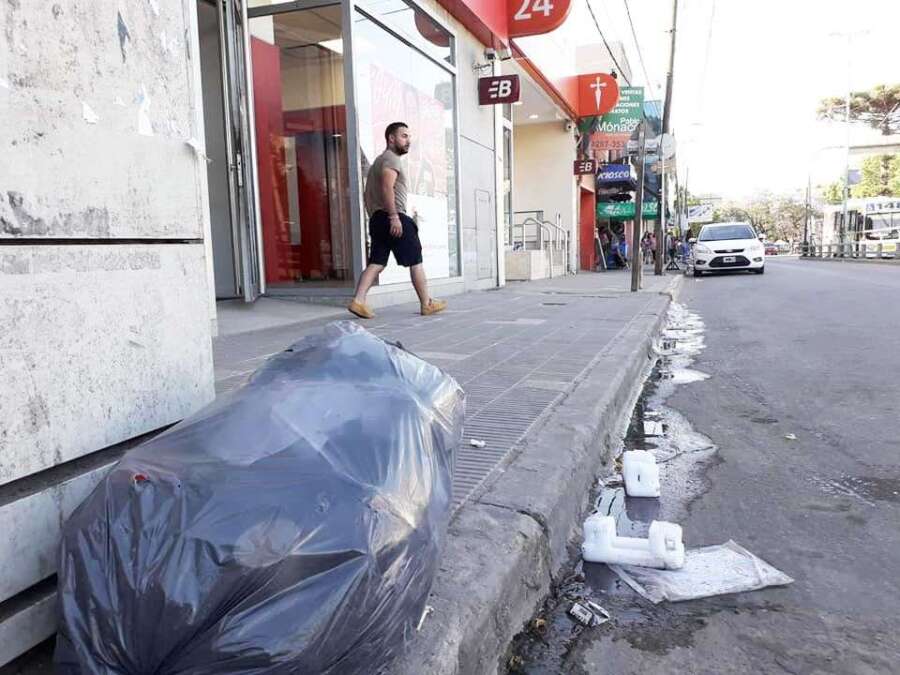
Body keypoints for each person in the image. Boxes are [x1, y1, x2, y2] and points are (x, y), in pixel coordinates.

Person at [348, 122, 446, 319]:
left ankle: (358, 300)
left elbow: (369, 194)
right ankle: (426, 303)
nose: (408, 140)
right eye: (404, 136)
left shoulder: (378, 161)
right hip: (393, 216)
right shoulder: (391, 160)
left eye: (409, 137)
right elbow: (387, 188)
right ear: (391, 139)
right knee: (415, 259)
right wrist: (394, 217)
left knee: (376, 262)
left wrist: (378, 219)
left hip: (377, 219)